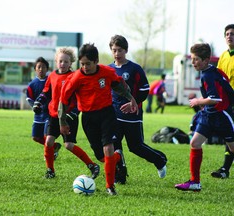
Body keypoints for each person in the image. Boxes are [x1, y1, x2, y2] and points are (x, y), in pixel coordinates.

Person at [58, 43, 138, 195]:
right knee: (101, 157)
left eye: (88, 64)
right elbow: (63, 100)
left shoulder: (107, 72)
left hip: (107, 114)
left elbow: (119, 85)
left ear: (96, 61)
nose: (85, 67)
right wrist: (62, 122)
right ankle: (117, 157)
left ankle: (110, 186)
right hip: (88, 118)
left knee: (107, 147)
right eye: (82, 64)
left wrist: (131, 98)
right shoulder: (75, 78)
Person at [108, 35, 167, 184]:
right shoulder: (108, 69)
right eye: (114, 50)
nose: (117, 54)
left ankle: (159, 160)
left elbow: (145, 90)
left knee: (135, 147)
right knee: (114, 144)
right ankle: (120, 176)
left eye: (120, 50)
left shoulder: (135, 69)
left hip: (132, 115)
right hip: (114, 114)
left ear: (126, 50)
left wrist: (133, 103)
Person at [175, 43, 234, 192]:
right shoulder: (211, 71)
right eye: (192, 59)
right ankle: (195, 182)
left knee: (233, 148)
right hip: (209, 114)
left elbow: (215, 99)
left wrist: (198, 101)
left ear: (206, 60)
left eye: (196, 60)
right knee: (195, 143)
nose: (193, 62)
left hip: (222, 116)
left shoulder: (208, 75)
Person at [34, 47, 100, 180]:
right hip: (54, 115)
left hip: (68, 116)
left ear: (71, 63)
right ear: (56, 61)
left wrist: (75, 112)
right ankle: (50, 170)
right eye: (60, 61)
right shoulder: (52, 76)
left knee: (68, 145)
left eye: (66, 62)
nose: (62, 64)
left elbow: (80, 97)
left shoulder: (75, 76)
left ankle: (92, 165)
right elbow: (46, 92)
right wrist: (38, 102)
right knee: (49, 141)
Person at [26, 57, 61, 160]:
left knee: (47, 136)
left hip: (49, 113)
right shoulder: (32, 84)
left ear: (47, 69)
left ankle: (49, 155)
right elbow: (29, 98)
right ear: (35, 69)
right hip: (38, 115)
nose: (41, 69)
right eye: (39, 67)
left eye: (44, 67)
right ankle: (54, 147)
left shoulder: (50, 81)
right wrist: (34, 107)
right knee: (36, 137)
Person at [211, 24, 234, 179]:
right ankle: (225, 169)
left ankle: (225, 169)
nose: (229, 36)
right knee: (229, 135)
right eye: (227, 34)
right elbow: (218, 79)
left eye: (232, 34)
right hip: (227, 102)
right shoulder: (223, 56)